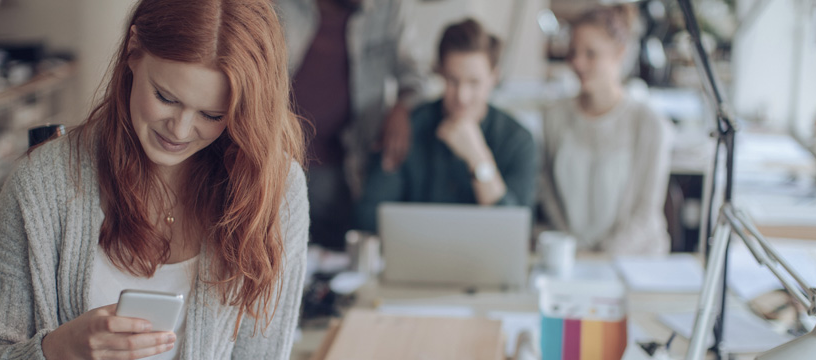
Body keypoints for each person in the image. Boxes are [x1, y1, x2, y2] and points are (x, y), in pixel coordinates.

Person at [0, 0, 308, 359]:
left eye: (211, 115)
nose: (180, 130)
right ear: (133, 49)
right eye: (165, 97)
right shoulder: (40, 185)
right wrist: (59, 349)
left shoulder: (275, 190)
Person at [355, 18, 537, 233]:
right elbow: (367, 216)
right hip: (417, 251)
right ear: (439, 72)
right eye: (453, 81)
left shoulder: (519, 140)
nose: (462, 96)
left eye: (474, 83)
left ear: (493, 77)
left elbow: (515, 231)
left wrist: (479, 160)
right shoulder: (408, 128)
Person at [276, 0, 428, 249]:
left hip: (340, 166)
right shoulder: (280, 6)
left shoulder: (390, 8)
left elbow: (416, 77)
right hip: (273, 157)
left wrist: (401, 108)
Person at [538, 5, 673, 255]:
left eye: (591, 54)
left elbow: (645, 212)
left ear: (620, 53)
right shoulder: (554, 116)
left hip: (634, 259)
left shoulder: (649, 124)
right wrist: (575, 249)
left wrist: (602, 257)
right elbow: (548, 194)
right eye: (573, 52)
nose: (578, 63)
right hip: (575, 257)